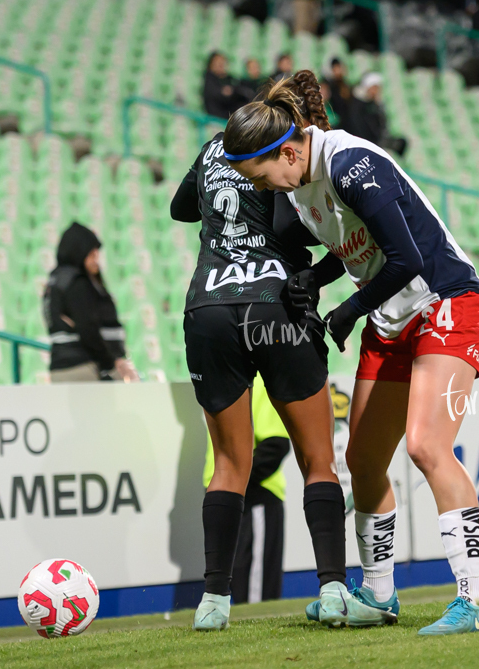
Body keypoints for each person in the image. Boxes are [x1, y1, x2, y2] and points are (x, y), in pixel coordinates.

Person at [223, 76, 479, 637]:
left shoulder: (350, 164)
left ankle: (477, 602)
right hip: (392, 317)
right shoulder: (301, 187)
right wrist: (313, 279)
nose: (267, 188)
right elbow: (354, 249)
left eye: (263, 175)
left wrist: (346, 310)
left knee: (426, 445)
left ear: (290, 151)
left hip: (444, 302)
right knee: (365, 462)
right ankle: (378, 595)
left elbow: (406, 257)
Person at [169, 69, 394, 631]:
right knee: (317, 459)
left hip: (210, 309)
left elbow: (180, 209)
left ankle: (214, 602)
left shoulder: (213, 150)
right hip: (278, 307)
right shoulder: (293, 169)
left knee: (228, 464)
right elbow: (341, 241)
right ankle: (336, 589)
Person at [203, 375, 290, 603]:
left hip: (252, 496)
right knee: (244, 591)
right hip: (236, 495)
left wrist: (234, 482)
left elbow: (275, 446)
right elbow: (276, 444)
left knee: (251, 594)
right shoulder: (243, 378)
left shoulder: (256, 380)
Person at [42, 222, 138, 382]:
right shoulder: (76, 282)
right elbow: (87, 327)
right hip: (81, 367)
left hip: (61, 365)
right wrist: (111, 363)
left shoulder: (55, 280)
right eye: (92, 255)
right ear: (79, 252)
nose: (96, 261)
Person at [343, 72, 408, 157]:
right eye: (375, 88)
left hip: (374, 139)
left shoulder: (374, 104)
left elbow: (382, 125)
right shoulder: (356, 104)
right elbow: (359, 127)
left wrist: (378, 105)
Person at [203, 52, 247, 119]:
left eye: (222, 62)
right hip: (217, 117)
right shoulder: (209, 80)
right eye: (218, 62)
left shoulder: (229, 79)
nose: (221, 65)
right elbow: (217, 96)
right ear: (211, 64)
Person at [324, 58, 351, 128]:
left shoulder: (346, 86)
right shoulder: (329, 86)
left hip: (346, 122)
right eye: (335, 68)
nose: (338, 71)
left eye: (339, 68)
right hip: (334, 121)